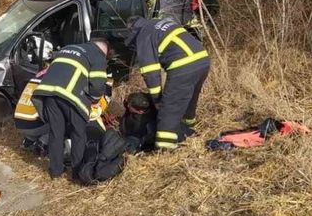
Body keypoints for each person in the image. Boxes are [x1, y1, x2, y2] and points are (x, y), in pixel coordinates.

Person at [125, 17, 211, 151]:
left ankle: (166, 149)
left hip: (183, 65)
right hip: (202, 59)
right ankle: (188, 130)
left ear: (132, 30)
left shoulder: (143, 35)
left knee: (168, 109)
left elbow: (150, 72)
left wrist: (157, 99)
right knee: (188, 100)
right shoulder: (157, 23)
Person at [31, 39, 109, 179]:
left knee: (56, 133)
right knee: (79, 134)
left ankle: (55, 171)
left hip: (48, 93)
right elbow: (97, 86)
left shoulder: (68, 47)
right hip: (70, 96)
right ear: (103, 50)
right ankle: (76, 173)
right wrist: (95, 100)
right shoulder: (97, 55)